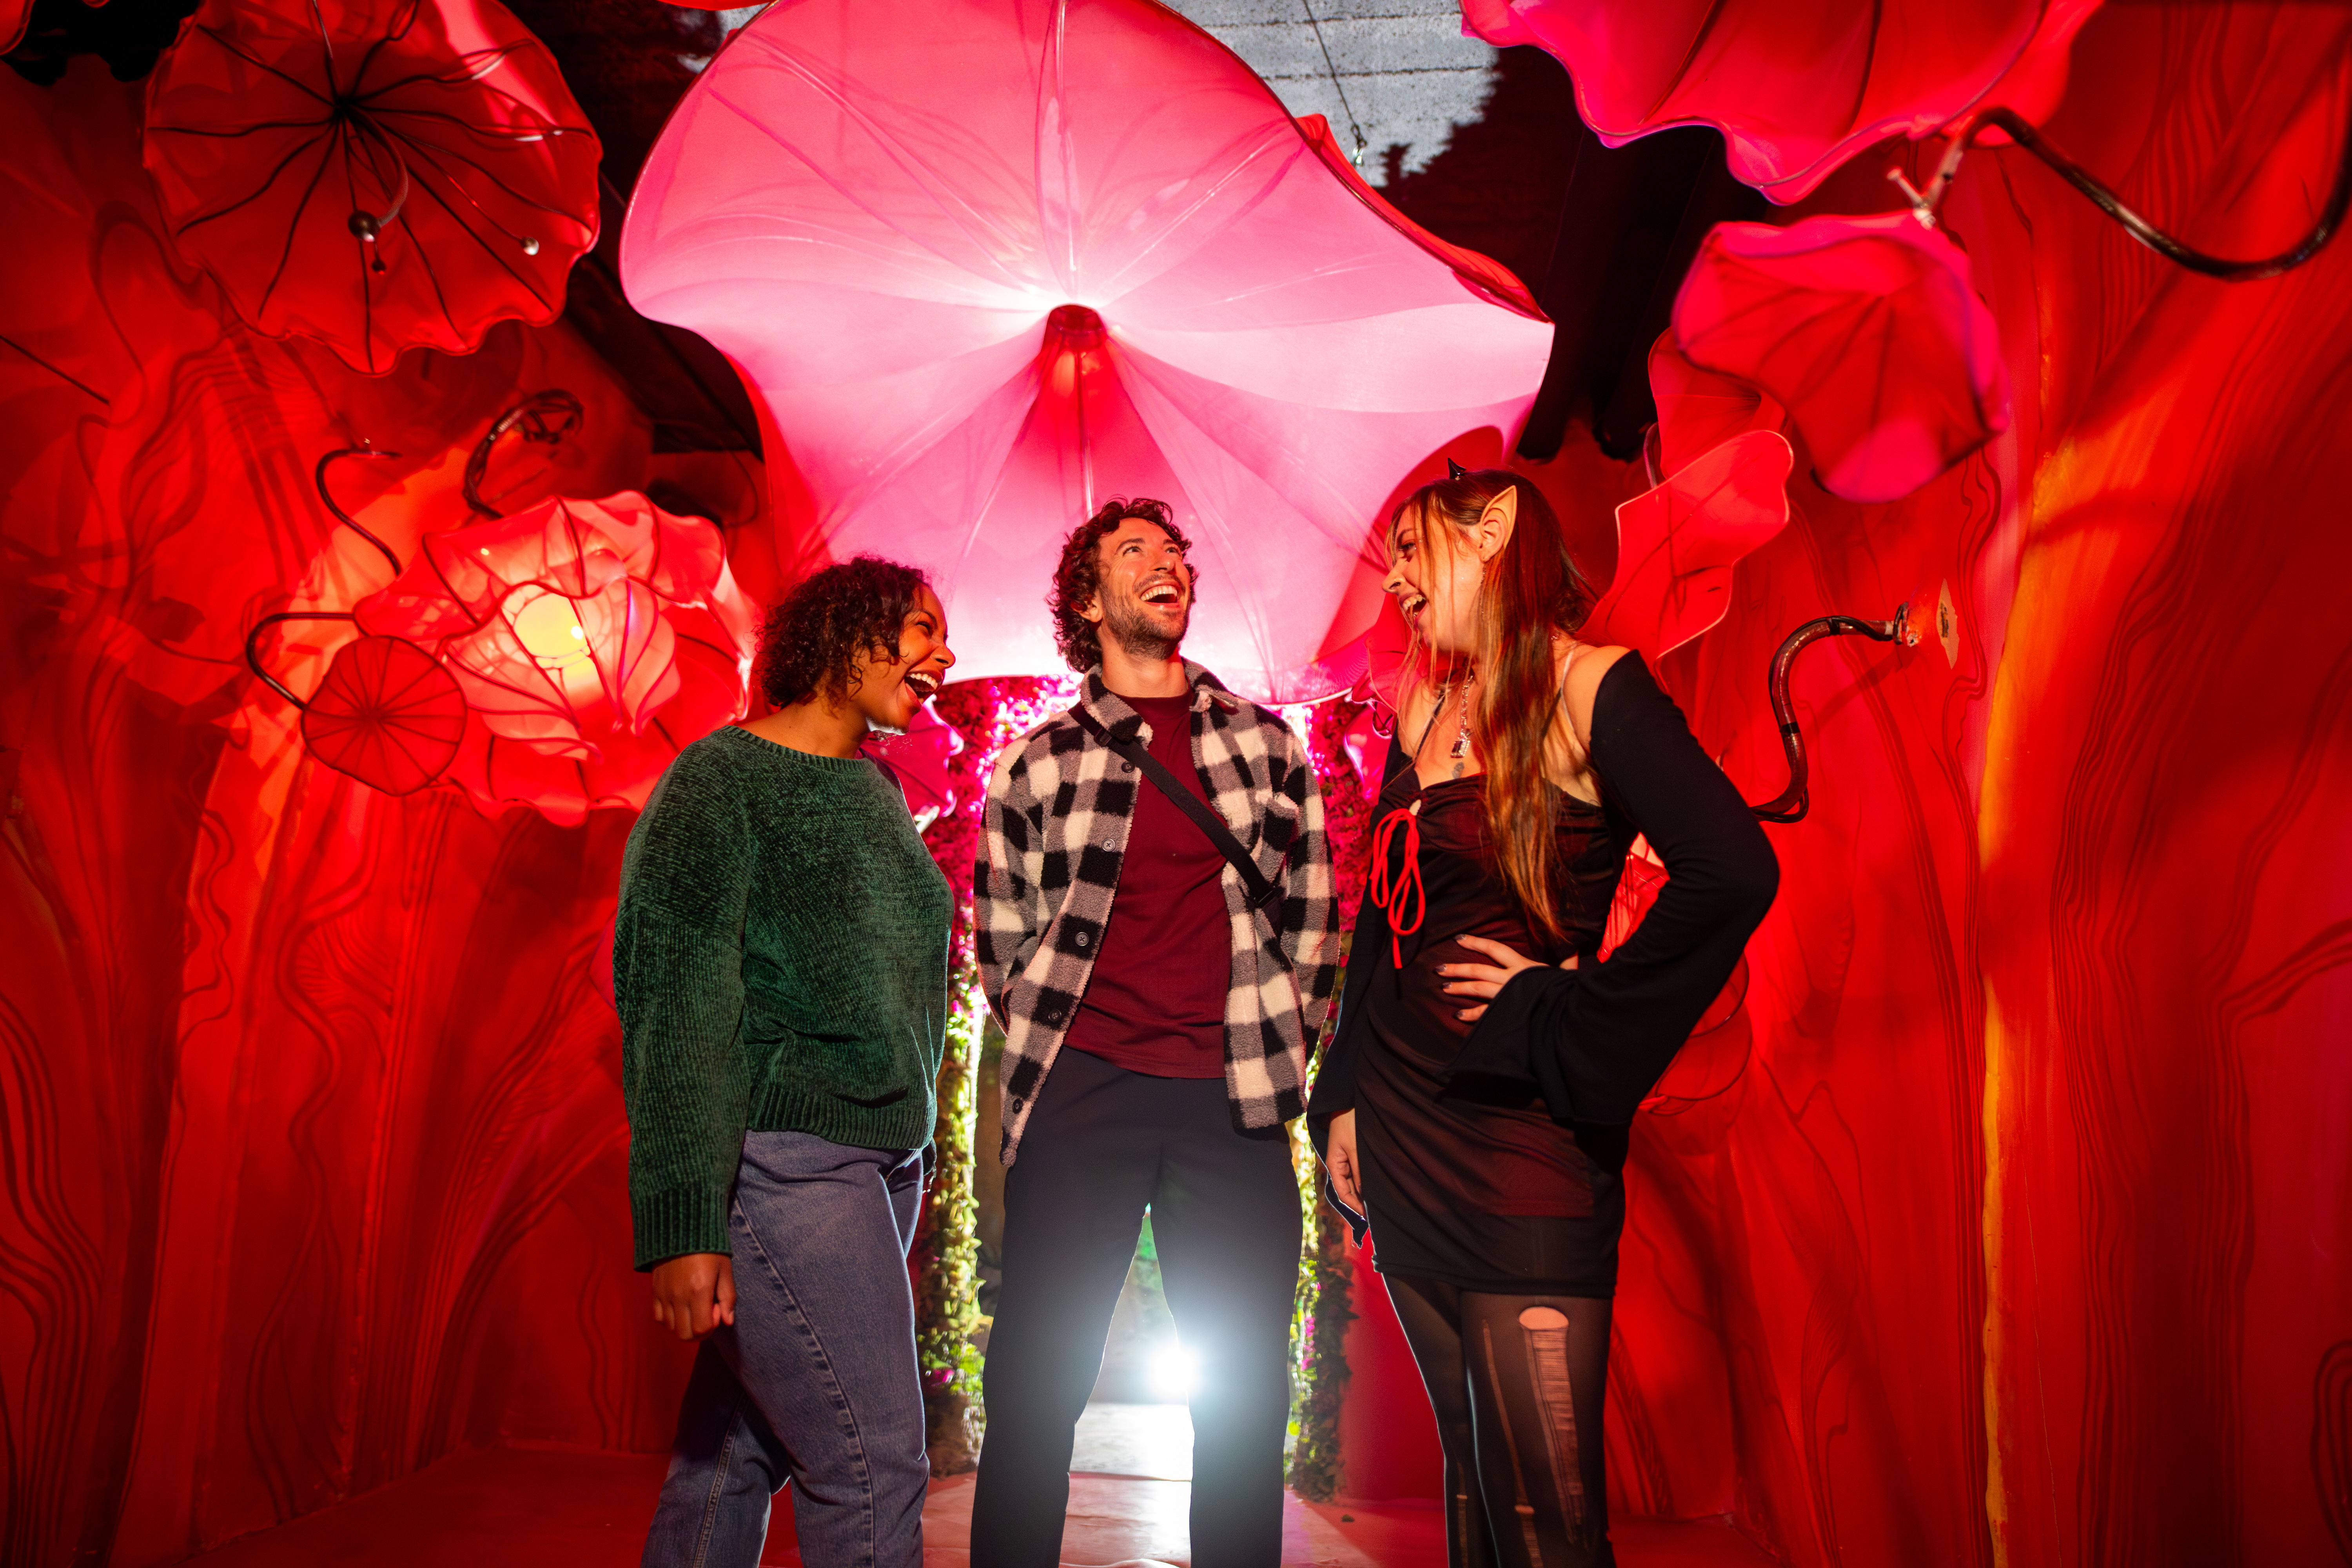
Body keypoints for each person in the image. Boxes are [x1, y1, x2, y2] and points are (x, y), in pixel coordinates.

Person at [1308, 467, 1778, 1568]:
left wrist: (1565, 1008)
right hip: (1404, 1128)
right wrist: (1344, 1095)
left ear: (1496, 528)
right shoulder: (1422, 708)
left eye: (1413, 548)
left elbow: (1733, 871)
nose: (1399, 581)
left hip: (1525, 1145)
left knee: (1548, 1528)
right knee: (1475, 1489)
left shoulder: (1590, 685)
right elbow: (1383, 923)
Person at [969, 497, 1340, 1568]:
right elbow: (1004, 944)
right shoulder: (1037, 764)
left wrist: (1275, 1044)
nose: (1164, 560)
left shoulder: (1267, 747)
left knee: (1244, 1396)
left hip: (1233, 1104)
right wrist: (1069, 1053)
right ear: (1089, 604)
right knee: (1036, 1386)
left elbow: (1314, 925)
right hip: (1084, 1093)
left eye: (1172, 547)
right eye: (1132, 550)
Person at [616, 555, 958, 1568]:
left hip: (879, 1171)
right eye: (924, 630)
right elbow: (676, 1002)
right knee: (872, 1466)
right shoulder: (721, 781)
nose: (945, 656)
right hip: (789, 1168)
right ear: (848, 637)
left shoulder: (878, 792)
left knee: (734, 1451)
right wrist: (685, 1220)